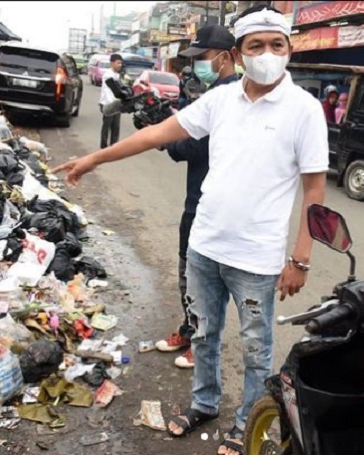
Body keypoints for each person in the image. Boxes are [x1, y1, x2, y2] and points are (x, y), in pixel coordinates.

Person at [53, 6, 328, 455]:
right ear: (238, 54)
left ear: (289, 50)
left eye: (276, 45)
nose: (266, 53)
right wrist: (93, 159)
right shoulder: (221, 100)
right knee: (202, 334)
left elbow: (314, 189)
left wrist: (300, 259)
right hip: (204, 247)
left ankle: (247, 422)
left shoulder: (305, 110)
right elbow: (156, 134)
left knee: (256, 350)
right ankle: (204, 402)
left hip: (256, 259)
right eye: (256, 45)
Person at [153, 24, 239, 370]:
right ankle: (190, 331)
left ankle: (202, 345)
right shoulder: (211, 94)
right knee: (188, 273)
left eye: (202, 57)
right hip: (197, 200)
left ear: (225, 57)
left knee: (204, 280)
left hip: (211, 204)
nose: (196, 64)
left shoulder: (228, 99)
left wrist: (165, 139)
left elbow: (193, 147)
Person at [99, 54, 123, 149]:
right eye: (118, 63)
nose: (120, 65)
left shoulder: (117, 75)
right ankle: (103, 147)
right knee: (107, 126)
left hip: (116, 104)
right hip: (108, 104)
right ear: (112, 63)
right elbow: (107, 91)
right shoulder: (107, 75)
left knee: (116, 127)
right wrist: (113, 104)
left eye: (121, 63)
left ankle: (114, 147)